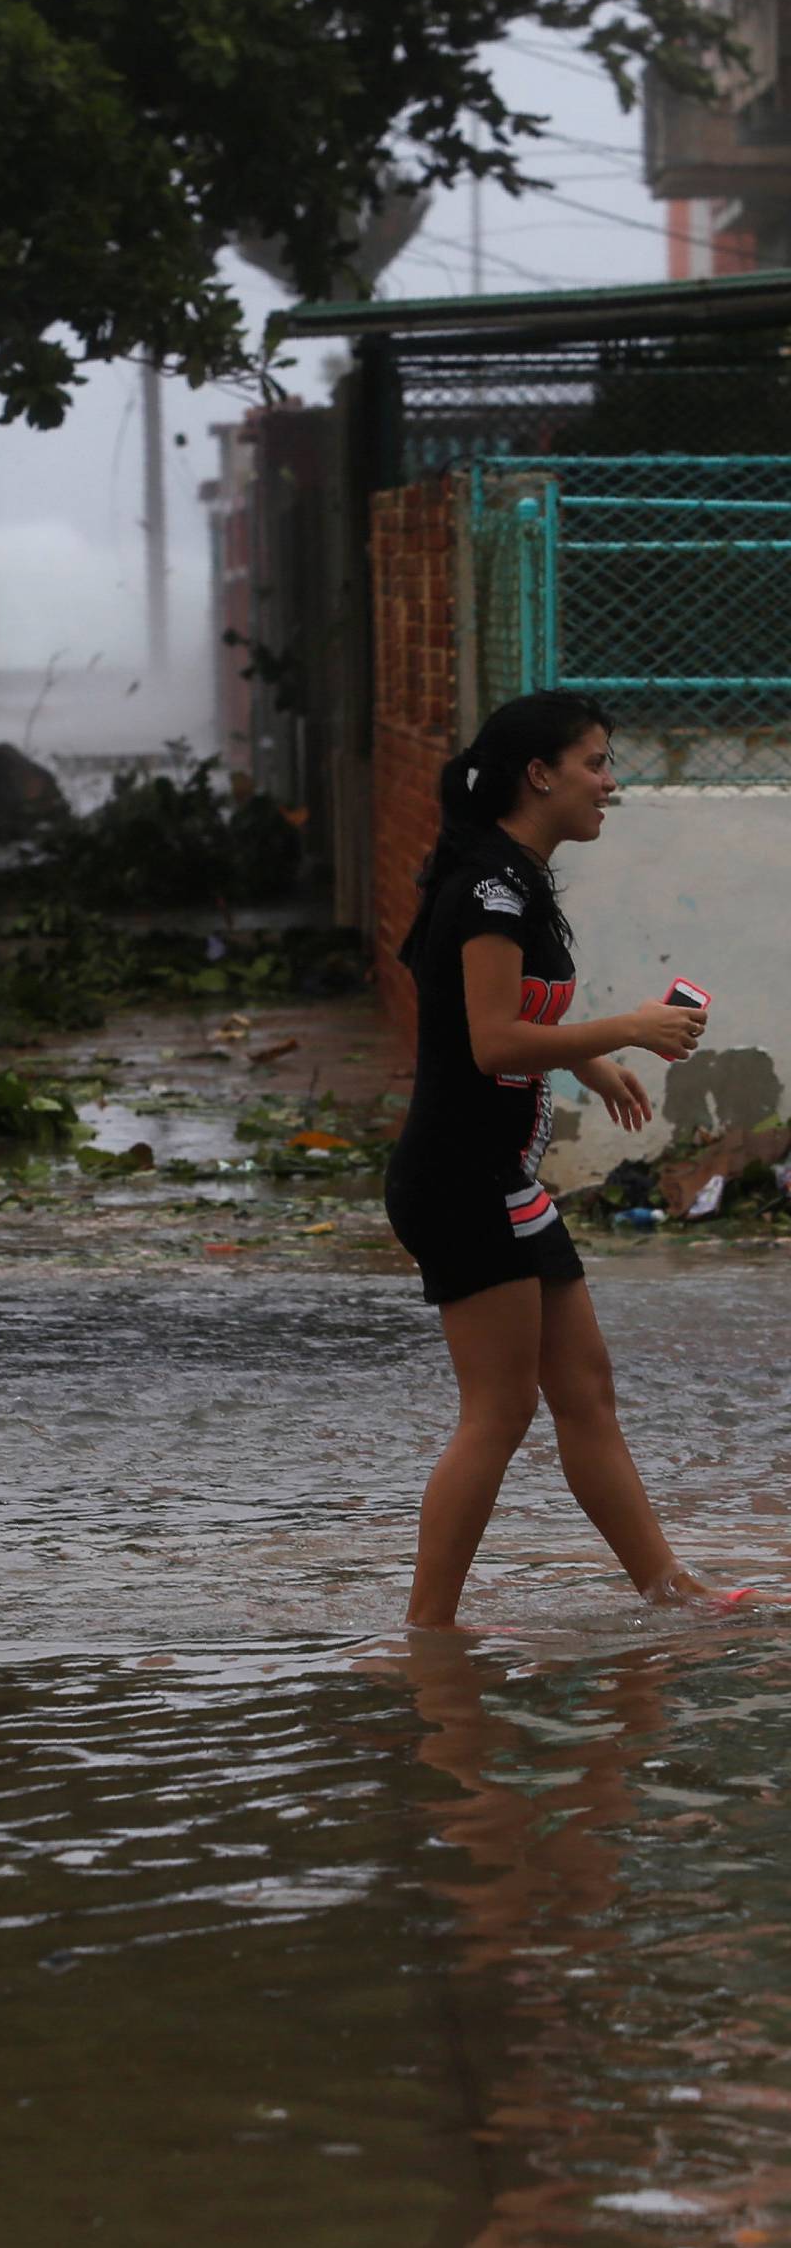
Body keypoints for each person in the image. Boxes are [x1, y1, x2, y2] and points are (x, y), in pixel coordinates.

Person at [385, 689, 715, 1630]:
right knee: (499, 1410)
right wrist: (628, 1028)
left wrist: (593, 1057)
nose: (610, 785)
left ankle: (668, 1587)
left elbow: (493, 1020)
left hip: (503, 1180)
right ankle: (427, 1633)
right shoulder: (490, 886)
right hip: (458, 1181)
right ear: (541, 774)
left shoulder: (514, 876)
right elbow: (489, 1043)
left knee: (584, 1388)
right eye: (597, 763)